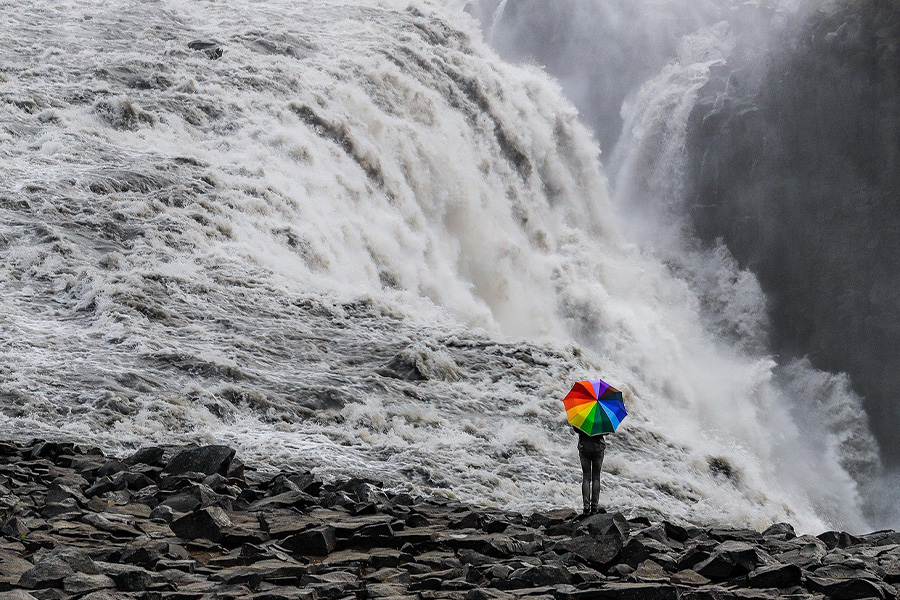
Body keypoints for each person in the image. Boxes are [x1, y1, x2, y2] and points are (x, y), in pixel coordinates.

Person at [574, 427, 606, 514]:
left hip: (584, 447)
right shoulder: (600, 417)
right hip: (598, 447)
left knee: (586, 477)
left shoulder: (582, 415)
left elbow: (576, 429)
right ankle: (594, 507)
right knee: (596, 477)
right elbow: (606, 432)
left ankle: (586, 507)